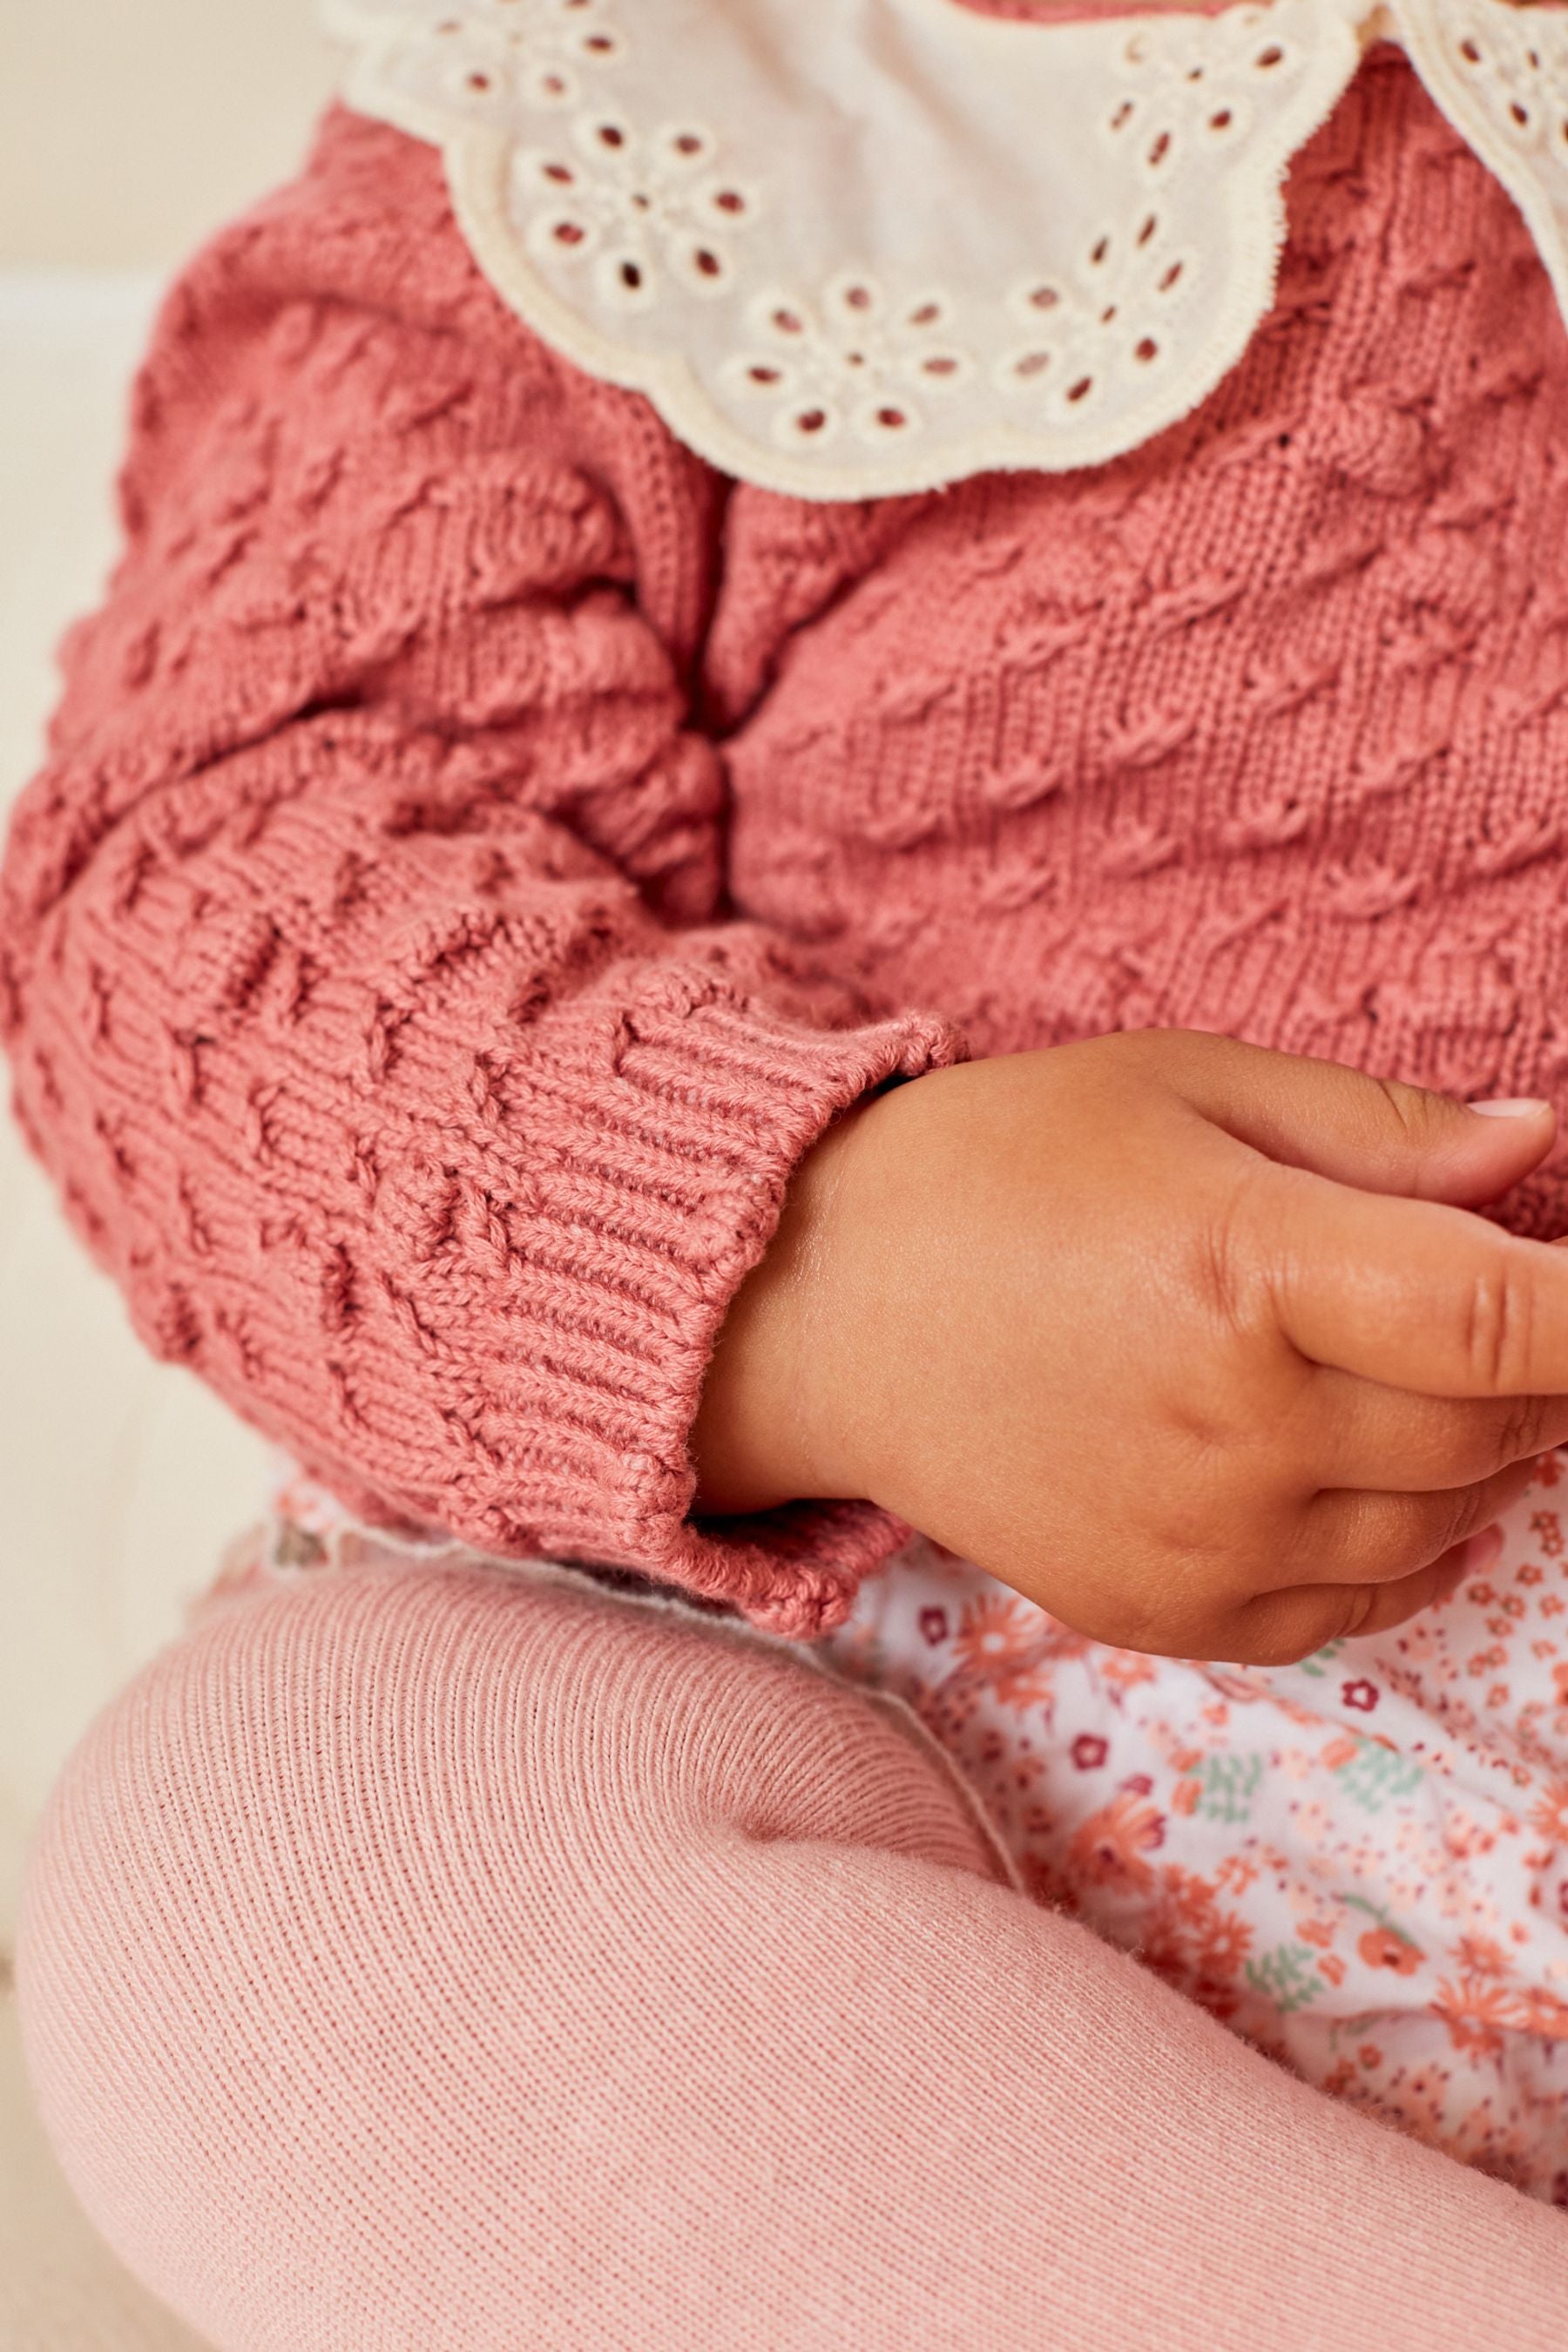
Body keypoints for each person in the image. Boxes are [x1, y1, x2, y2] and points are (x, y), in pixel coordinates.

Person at [10, 0, 1568, 2339]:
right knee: (288, 1853)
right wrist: (826, 1266)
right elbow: (203, 902)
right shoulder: (590, 144)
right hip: (907, 1693)